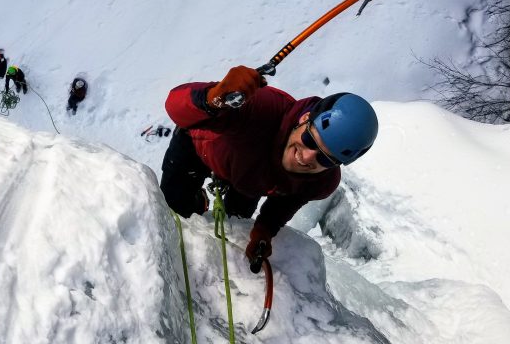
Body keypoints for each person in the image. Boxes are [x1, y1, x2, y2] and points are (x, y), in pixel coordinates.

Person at [161, 65, 378, 270]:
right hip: (197, 149)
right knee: (175, 210)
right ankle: (198, 200)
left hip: (249, 180)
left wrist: (264, 231)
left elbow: (287, 201)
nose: (307, 156)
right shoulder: (261, 108)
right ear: (304, 119)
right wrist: (213, 98)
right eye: (310, 140)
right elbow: (175, 105)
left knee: (237, 221)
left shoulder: (322, 182)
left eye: (325, 159)